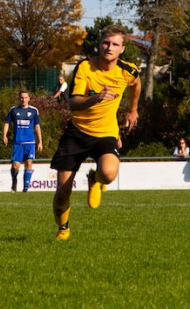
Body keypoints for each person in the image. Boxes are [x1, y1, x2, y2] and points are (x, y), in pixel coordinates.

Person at [50, 25, 141, 241]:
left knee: (109, 174)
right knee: (62, 192)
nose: (109, 47)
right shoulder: (84, 67)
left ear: (122, 49)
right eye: (106, 43)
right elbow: (72, 103)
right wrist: (96, 98)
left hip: (106, 134)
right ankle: (63, 228)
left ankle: (94, 178)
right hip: (77, 133)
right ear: (99, 45)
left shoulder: (128, 71)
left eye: (115, 44)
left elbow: (136, 84)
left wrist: (133, 110)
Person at [3, 89, 43, 192]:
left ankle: (25, 188)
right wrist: (4, 135)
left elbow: (37, 126)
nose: (23, 99)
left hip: (30, 142)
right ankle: (14, 182)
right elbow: (7, 123)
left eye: (25, 97)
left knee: (29, 164)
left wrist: (40, 141)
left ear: (29, 98)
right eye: (22, 97)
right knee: (15, 166)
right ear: (19, 98)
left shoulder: (34, 110)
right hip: (17, 142)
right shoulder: (13, 110)